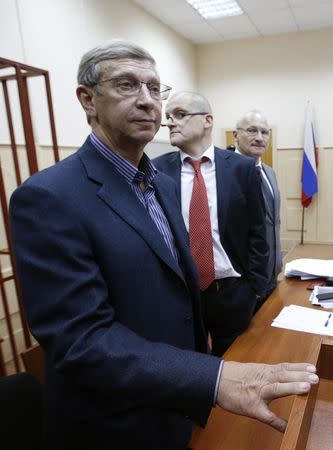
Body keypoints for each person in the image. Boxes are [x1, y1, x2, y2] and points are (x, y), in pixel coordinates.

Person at [9, 40, 318, 450]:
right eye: (126, 85)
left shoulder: (162, 184)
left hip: (175, 407)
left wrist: (200, 372)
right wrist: (212, 377)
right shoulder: (48, 197)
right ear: (87, 100)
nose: (147, 102)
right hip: (114, 424)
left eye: (155, 89)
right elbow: (81, 339)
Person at [154, 92, 269, 356]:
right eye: (168, 117)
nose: (171, 122)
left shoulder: (242, 169)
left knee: (234, 363)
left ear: (207, 120)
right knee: (190, 367)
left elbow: (258, 235)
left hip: (232, 292)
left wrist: (255, 289)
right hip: (182, 294)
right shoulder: (157, 170)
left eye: (180, 115)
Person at [234, 110, 283, 305]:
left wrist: (276, 264)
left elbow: (273, 223)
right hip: (243, 281)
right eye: (252, 131)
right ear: (236, 136)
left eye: (265, 132)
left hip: (271, 273)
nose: (259, 138)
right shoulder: (225, 173)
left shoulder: (269, 172)